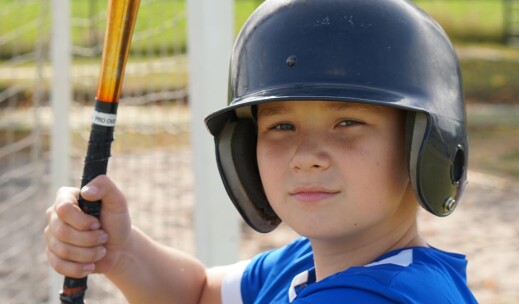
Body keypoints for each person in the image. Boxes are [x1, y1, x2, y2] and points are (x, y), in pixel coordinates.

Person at [44, 0, 478, 302]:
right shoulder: (308, 262)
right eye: (281, 126)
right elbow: (196, 294)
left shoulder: (380, 296)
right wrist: (119, 251)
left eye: (347, 124)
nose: (305, 155)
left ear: (424, 146)